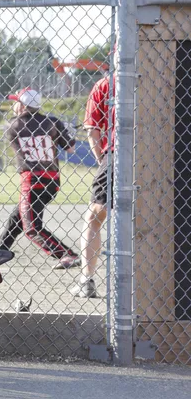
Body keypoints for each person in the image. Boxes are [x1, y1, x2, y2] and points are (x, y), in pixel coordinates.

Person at [0, 88, 80, 270]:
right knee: (16, 219)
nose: (14, 105)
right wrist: (66, 132)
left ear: (23, 105)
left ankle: (66, 254)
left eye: (16, 102)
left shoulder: (12, 126)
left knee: (32, 227)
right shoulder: (52, 122)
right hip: (52, 180)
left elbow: (27, 133)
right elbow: (70, 148)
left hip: (32, 181)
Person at [71, 75, 115, 298]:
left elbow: (92, 129)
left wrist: (101, 159)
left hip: (116, 154)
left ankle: (87, 280)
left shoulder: (106, 83)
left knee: (95, 217)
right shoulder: (158, 77)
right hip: (158, 153)